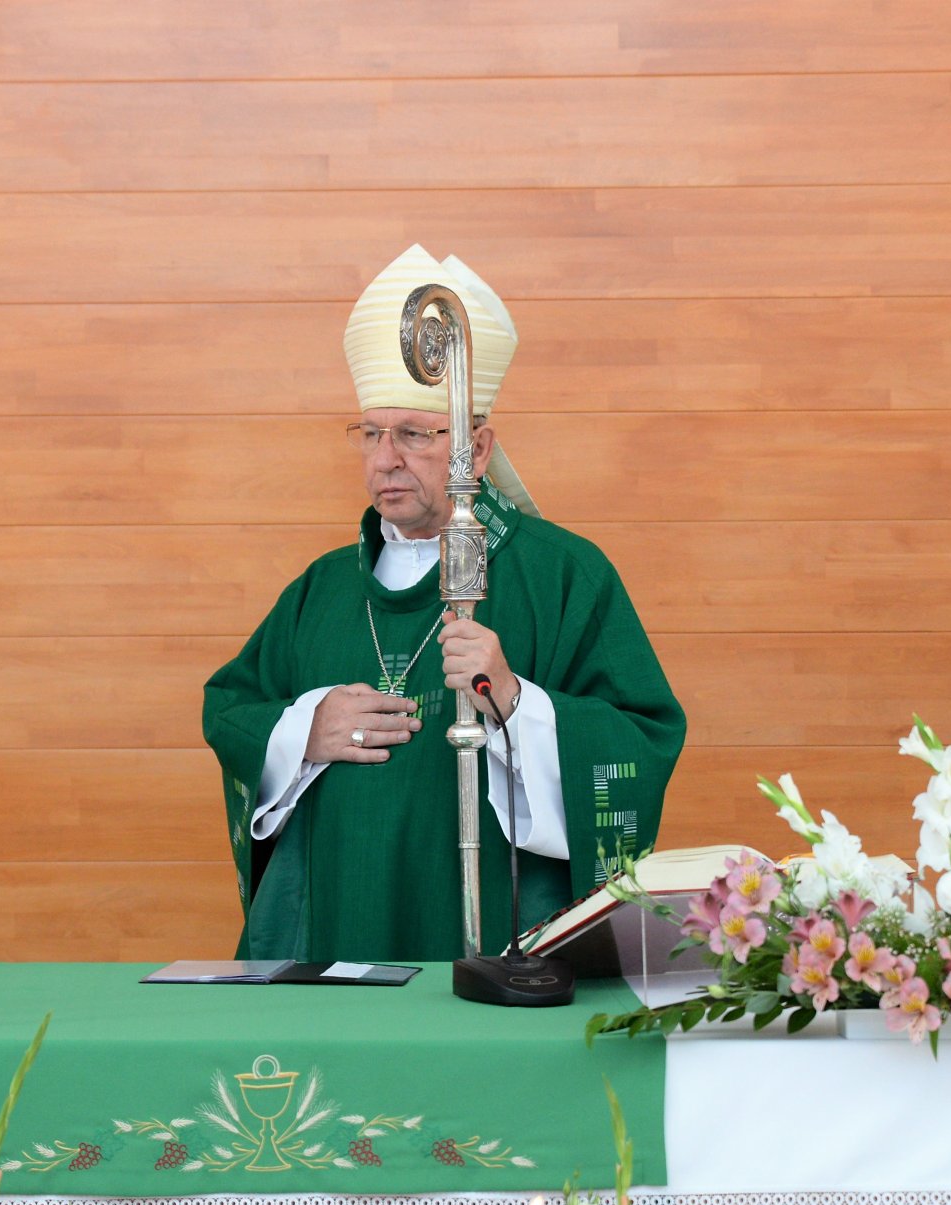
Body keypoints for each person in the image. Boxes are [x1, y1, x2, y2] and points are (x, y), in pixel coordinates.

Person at [203, 245, 686, 963]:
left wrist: (517, 702)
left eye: (413, 434)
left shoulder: (561, 575)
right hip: (339, 924)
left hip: (497, 935)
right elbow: (230, 708)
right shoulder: (322, 588)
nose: (384, 458)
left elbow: (642, 744)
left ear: (478, 448)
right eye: (369, 433)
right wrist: (304, 728)